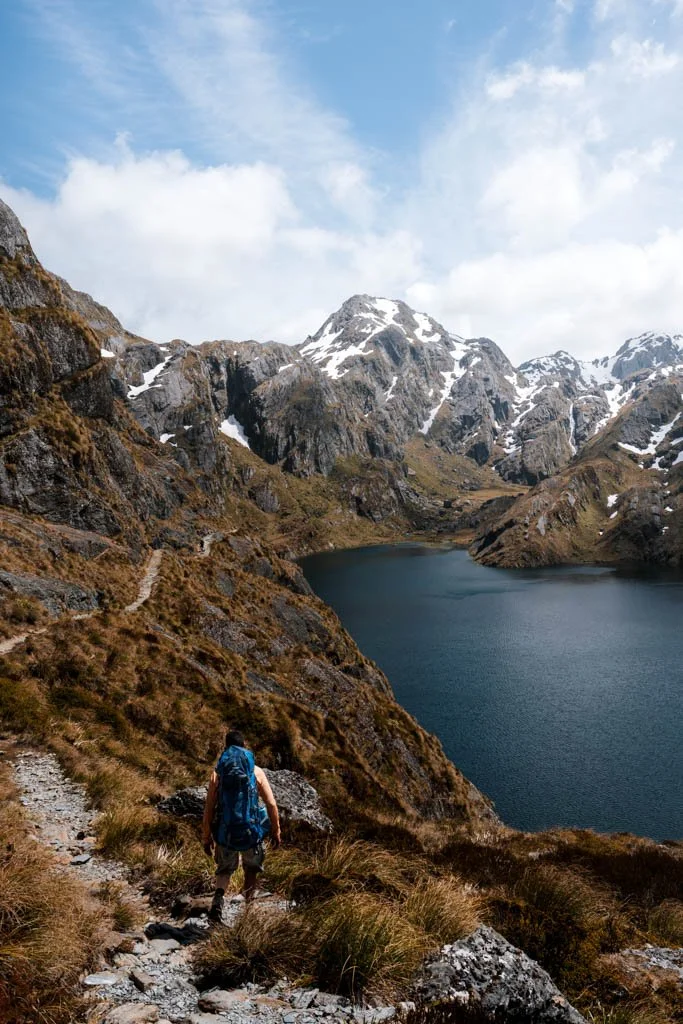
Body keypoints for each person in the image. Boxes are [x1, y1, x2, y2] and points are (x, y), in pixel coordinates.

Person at [202, 729, 281, 923]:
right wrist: (276, 830)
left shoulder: (218, 773)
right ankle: (247, 911)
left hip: (225, 832)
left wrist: (206, 836)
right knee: (251, 869)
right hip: (251, 833)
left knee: (225, 870)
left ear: (226, 748)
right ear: (244, 747)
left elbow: (209, 808)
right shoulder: (256, 772)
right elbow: (271, 804)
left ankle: (218, 901)